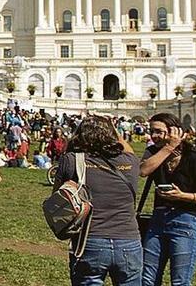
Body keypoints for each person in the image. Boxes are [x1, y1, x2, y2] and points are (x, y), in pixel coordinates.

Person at [52, 115, 141, 286]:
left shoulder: (72, 160)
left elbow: (58, 197)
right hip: (129, 241)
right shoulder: (131, 161)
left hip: (90, 240)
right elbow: (127, 148)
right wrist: (113, 129)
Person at [139, 113, 196, 286]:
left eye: (159, 131)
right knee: (147, 280)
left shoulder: (193, 158)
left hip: (185, 222)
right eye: (151, 131)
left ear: (174, 131)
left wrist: (183, 196)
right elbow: (143, 171)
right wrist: (168, 148)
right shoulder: (154, 152)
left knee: (180, 281)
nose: (154, 136)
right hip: (157, 221)